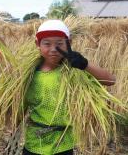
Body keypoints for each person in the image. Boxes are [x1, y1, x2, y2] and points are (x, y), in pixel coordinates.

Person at [22, 20, 116, 155]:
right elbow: (19, 107)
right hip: (35, 142)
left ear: (69, 43)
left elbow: (111, 80)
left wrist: (85, 65)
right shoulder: (29, 75)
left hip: (64, 144)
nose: (53, 49)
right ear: (37, 44)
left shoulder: (76, 71)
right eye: (47, 44)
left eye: (60, 44)